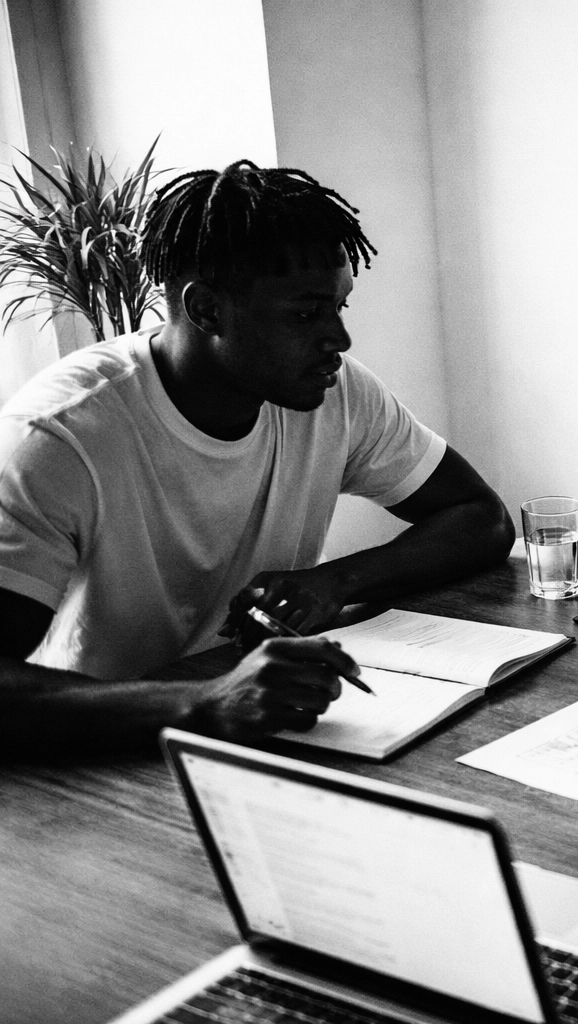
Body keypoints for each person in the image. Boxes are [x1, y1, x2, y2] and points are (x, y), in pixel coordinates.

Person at [0, 161, 514, 749]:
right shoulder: (58, 437)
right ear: (207, 310)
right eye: (304, 314)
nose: (339, 342)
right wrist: (204, 701)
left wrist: (335, 581)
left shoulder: (336, 392)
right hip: (102, 753)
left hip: (267, 729)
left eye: (339, 308)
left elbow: (483, 518)